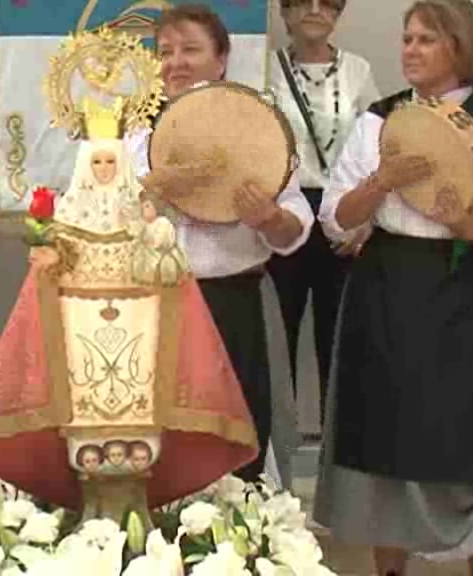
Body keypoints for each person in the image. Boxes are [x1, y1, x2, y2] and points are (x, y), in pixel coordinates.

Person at [0, 89, 259, 512]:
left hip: (139, 326)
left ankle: (139, 492)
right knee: (83, 421)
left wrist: (156, 238)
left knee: (139, 420)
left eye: (111, 162)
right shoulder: (68, 216)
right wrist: (48, 252)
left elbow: (166, 264)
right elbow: (56, 257)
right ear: (86, 165)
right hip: (78, 325)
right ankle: (83, 492)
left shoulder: (142, 216)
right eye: (98, 162)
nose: (105, 169)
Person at [313, 1, 473, 574]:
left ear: (460, 47)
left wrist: (472, 227)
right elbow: (336, 220)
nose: (409, 49)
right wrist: (383, 179)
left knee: (467, 443)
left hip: (469, 291)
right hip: (386, 292)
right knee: (381, 442)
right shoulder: (379, 120)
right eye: (406, 38)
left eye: (425, 40)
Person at [128, 3, 314, 480]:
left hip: (232, 303)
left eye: (191, 49)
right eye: (165, 52)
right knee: (154, 450)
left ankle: (232, 548)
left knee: (237, 449)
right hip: (150, 309)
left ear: (222, 58)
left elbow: (296, 225)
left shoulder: (255, 126)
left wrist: (269, 218)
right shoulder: (135, 136)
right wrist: (147, 194)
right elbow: (102, 224)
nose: (176, 62)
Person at [267, 0, 380, 431]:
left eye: (327, 3)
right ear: (285, 11)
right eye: (303, 2)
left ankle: (338, 452)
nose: (315, 11)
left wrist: (367, 218)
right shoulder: (265, 68)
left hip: (342, 210)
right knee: (280, 332)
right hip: (285, 210)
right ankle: (278, 454)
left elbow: (376, 146)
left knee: (339, 336)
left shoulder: (358, 71)